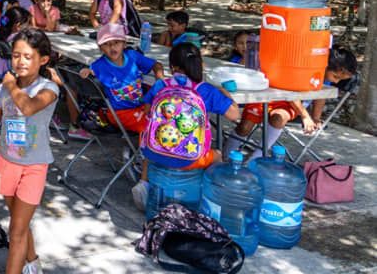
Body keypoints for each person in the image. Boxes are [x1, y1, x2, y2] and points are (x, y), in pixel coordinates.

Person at [0, 29, 59, 274]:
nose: (20, 62)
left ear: (42, 60)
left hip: (34, 166)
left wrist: (10, 85)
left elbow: (28, 107)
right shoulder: (4, 87)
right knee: (19, 220)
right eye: (16, 55)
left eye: (28, 57)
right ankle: (33, 264)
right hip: (7, 161)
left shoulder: (48, 89)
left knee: (17, 229)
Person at [132, 43, 240, 210]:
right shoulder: (206, 90)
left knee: (152, 140)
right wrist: (226, 94)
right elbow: (235, 115)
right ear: (200, 65)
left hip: (156, 153)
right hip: (192, 158)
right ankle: (211, 196)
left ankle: (144, 183)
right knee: (218, 155)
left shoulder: (161, 85)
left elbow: (147, 112)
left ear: (172, 66)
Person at [224, 46, 357, 160]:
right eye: (336, 76)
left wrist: (315, 117)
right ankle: (225, 155)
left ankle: (255, 160)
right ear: (326, 66)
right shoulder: (305, 69)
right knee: (244, 127)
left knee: (279, 118)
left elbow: (319, 97)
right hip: (272, 96)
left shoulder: (324, 79)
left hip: (290, 105)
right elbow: (290, 93)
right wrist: (305, 116)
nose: (336, 82)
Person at [77, 23, 164, 133]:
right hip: (119, 113)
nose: (112, 48)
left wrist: (160, 80)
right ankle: (144, 149)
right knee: (151, 126)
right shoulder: (99, 65)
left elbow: (157, 65)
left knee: (164, 117)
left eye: (116, 43)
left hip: (141, 107)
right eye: (106, 44)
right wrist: (86, 71)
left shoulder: (132, 55)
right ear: (100, 47)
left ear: (124, 43)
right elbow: (87, 72)